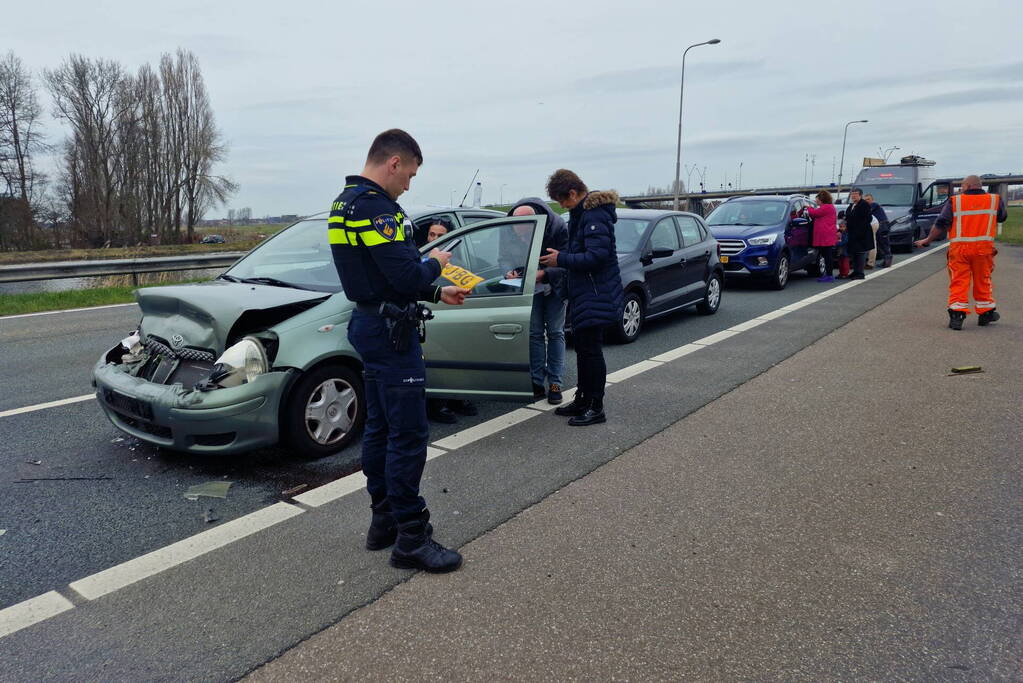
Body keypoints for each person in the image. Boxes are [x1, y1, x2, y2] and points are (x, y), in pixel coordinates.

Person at [328, 129, 469, 573]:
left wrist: (434, 291)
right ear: (393, 163)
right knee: (407, 435)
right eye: (409, 174)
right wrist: (436, 265)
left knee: (380, 428)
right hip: (391, 332)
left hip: (372, 322)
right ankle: (412, 536)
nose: (409, 184)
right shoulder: (375, 208)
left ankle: (383, 520)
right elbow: (404, 274)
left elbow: (382, 275)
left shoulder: (344, 202)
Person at [539, 169, 623, 426]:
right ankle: (583, 398)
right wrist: (558, 258)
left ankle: (595, 406)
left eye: (562, 200)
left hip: (595, 291)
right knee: (584, 349)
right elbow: (580, 251)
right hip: (585, 291)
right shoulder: (582, 214)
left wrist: (560, 259)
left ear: (573, 193)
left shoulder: (595, 215)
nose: (562, 206)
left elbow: (596, 257)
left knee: (591, 351)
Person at [915, 175, 1007, 330]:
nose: (961, 188)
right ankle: (986, 313)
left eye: (963, 186)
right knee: (983, 280)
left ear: (968, 186)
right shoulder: (994, 200)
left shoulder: (955, 201)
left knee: (959, 281)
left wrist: (927, 240)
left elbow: (941, 223)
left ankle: (957, 317)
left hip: (960, 249)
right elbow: (1002, 217)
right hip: (983, 249)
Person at [507, 198, 569, 404]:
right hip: (529, 288)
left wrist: (544, 274)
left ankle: (555, 383)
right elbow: (504, 257)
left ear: (535, 221)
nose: (518, 232)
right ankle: (536, 381)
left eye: (523, 228)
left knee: (555, 332)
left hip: (555, 286)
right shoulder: (508, 227)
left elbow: (568, 261)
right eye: (516, 227)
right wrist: (509, 271)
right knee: (534, 333)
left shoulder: (558, 227)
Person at [420, 217, 478, 423]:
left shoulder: (460, 262)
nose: (434, 239)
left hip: (455, 311)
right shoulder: (418, 260)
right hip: (429, 314)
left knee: (458, 354)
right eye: (431, 234)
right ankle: (437, 403)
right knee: (435, 358)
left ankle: (457, 398)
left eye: (440, 236)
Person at [806, 190, 838, 282]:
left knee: (827, 256)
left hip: (825, 235)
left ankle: (829, 275)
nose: (816, 202)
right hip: (826, 235)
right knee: (826, 255)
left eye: (817, 200)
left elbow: (814, 213)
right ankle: (828, 275)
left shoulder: (826, 207)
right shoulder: (828, 207)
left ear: (822, 199)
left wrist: (808, 208)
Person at [844, 188, 874, 280]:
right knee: (855, 253)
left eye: (856, 194)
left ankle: (860, 273)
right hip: (852, 233)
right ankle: (856, 271)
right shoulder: (852, 205)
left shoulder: (864, 205)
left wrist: (859, 230)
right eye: (852, 194)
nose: (853, 196)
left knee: (860, 253)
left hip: (862, 233)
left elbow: (868, 219)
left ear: (860, 195)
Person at [864, 193, 891, 268]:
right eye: (865, 200)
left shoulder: (874, 205)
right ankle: (885, 261)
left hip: (882, 226)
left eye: (868, 199)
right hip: (880, 226)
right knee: (880, 244)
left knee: (884, 244)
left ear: (872, 200)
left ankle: (887, 261)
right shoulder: (871, 206)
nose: (867, 201)